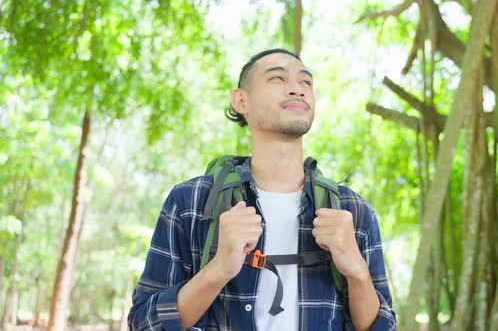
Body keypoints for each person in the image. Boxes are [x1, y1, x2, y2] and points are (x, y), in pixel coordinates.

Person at [128, 48, 397, 330]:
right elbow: (143, 323)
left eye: (306, 83)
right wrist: (218, 270)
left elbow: (385, 326)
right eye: (278, 79)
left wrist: (357, 274)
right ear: (241, 100)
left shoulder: (352, 212)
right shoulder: (191, 202)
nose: (297, 89)